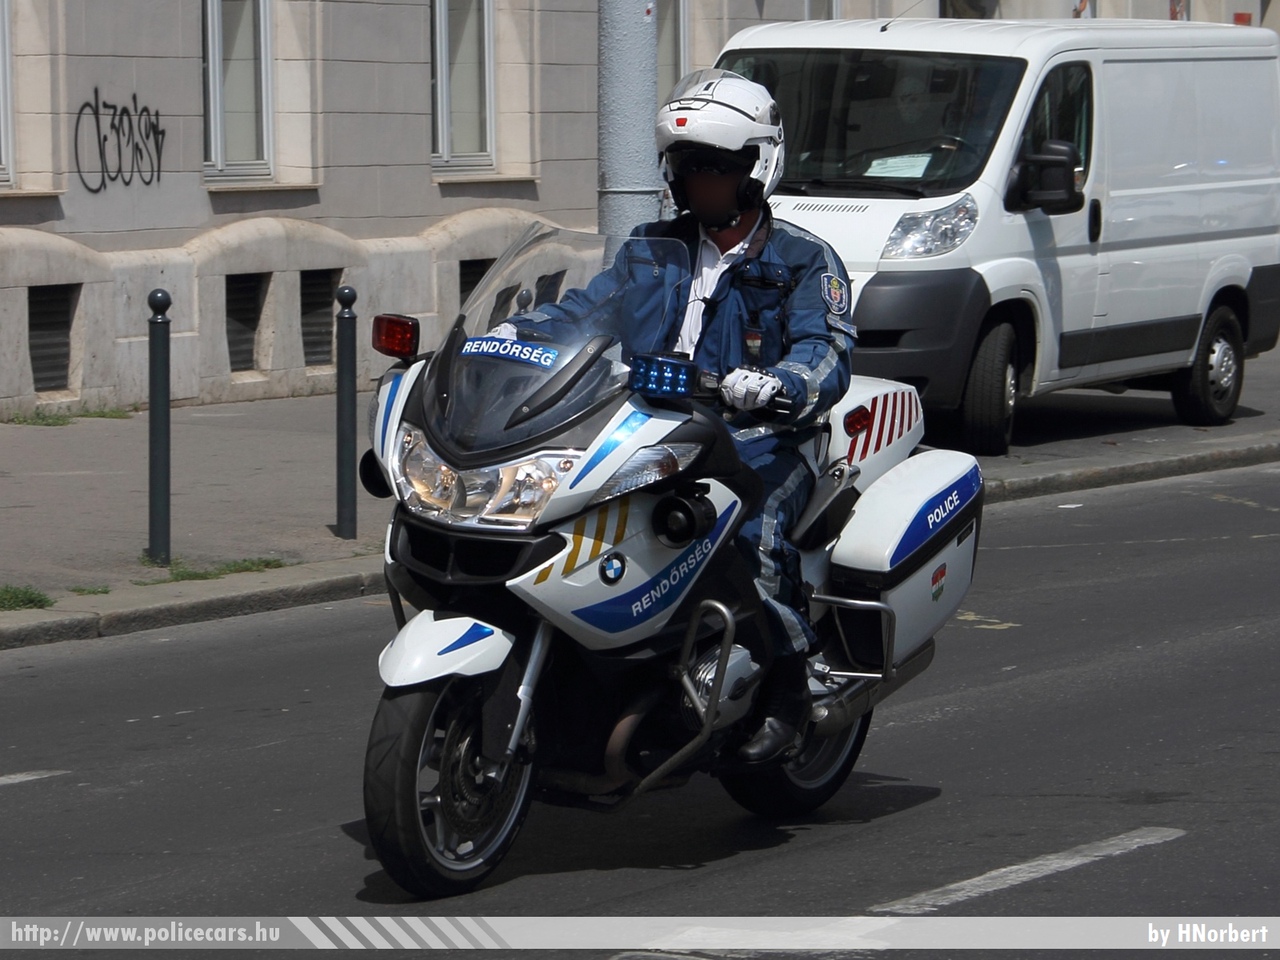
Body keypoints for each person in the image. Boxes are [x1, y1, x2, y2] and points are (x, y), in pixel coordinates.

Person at [501, 70, 856, 763]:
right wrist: (519, 336)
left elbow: (828, 350)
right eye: (690, 167)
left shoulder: (804, 260)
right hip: (648, 430)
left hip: (760, 438)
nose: (702, 182)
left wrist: (778, 382)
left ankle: (794, 680)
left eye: (717, 168)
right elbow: (587, 311)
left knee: (748, 527)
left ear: (755, 170)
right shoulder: (649, 250)